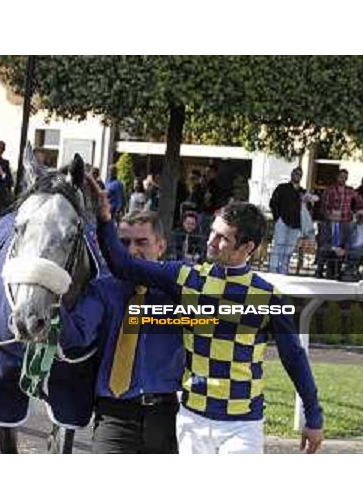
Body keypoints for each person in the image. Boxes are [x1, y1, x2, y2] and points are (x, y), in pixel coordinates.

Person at [89, 175, 323, 454]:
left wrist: (314, 416)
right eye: (213, 231)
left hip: (242, 426)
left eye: (223, 237)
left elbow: (293, 357)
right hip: (191, 419)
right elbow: (123, 265)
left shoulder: (268, 296)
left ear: (247, 247)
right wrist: (105, 219)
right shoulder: (185, 277)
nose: (211, 241)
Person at [59, 210, 184, 453]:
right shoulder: (103, 289)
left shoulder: (180, 288)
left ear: (161, 246)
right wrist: (56, 303)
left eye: (141, 242)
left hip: (165, 417)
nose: (131, 251)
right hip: (113, 417)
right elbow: (76, 337)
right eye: (124, 242)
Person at [269, 167, 305, 274]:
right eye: (295, 173)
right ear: (291, 174)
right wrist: (277, 218)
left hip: (296, 224)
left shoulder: (302, 192)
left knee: (289, 247)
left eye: (299, 174)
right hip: (282, 221)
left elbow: (306, 208)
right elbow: (273, 202)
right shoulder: (282, 188)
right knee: (278, 244)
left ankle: (283, 269)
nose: (297, 176)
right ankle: (273, 268)